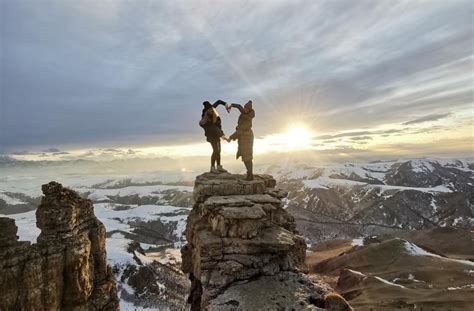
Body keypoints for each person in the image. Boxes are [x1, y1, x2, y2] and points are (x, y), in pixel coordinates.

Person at [226, 100, 255, 180]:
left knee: (247, 157)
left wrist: (231, 138)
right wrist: (231, 105)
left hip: (247, 138)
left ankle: (250, 175)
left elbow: (240, 130)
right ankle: (249, 173)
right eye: (245, 108)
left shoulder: (248, 118)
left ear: (249, 110)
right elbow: (239, 106)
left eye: (247, 109)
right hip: (244, 137)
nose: (245, 109)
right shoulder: (244, 112)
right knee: (245, 156)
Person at [199, 100, 228, 173]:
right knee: (215, 150)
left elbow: (218, 102)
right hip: (211, 136)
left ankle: (218, 166)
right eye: (209, 109)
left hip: (217, 134)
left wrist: (225, 104)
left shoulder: (213, 110)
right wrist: (222, 135)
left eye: (212, 108)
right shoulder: (205, 119)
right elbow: (214, 128)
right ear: (206, 111)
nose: (211, 110)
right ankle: (212, 168)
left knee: (219, 151)